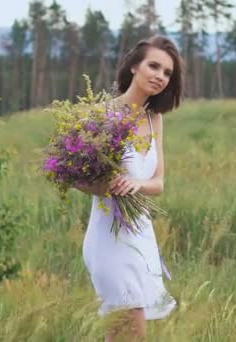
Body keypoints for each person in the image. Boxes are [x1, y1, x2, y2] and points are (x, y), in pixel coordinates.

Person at [76, 35, 185, 341]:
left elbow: (158, 183)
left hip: (140, 236)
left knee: (124, 334)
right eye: (154, 66)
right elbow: (78, 179)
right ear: (134, 66)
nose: (160, 76)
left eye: (167, 73)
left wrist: (136, 184)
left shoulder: (155, 120)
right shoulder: (100, 115)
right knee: (131, 327)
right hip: (108, 237)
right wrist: (104, 185)